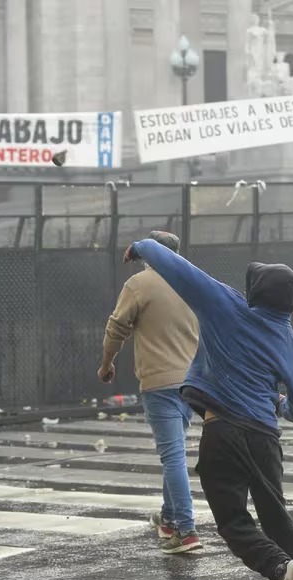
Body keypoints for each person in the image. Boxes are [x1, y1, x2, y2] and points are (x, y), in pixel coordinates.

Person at [123, 237, 293, 580]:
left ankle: (283, 572)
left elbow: (179, 268)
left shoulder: (225, 304)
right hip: (265, 437)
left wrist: (142, 245)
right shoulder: (287, 338)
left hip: (223, 431)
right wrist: (282, 406)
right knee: (276, 517)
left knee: (233, 522)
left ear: (255, 293)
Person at [99, 231, 202, 554]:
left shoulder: (140, 285)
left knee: (172, 456)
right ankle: (169, 519)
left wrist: (106, 364)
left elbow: (117, 328)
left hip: (159, 382)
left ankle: (186, 531)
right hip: (193, 382)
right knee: (175, 450)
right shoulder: (194, 283)